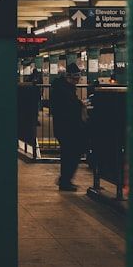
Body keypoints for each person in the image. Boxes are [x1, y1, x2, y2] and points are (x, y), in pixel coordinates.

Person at [50, 62, 87, 191]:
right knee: (71, 153)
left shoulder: (62, 87)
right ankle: (65, 181)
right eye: (76, 79)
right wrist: (79, 105)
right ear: (69, 77)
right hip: (67, 128)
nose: (77, 81)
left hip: (64, 127)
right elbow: (68, 107)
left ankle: (65, 179)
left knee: (69, 153)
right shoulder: (63, 90)